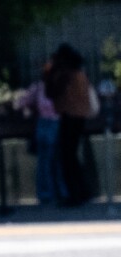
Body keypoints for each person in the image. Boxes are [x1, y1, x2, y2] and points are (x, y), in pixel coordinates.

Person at [48, 43, 98, 207]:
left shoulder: (66, 74)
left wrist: (50, 70)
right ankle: (81, 191)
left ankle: (74, 194)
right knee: (72, 157)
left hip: (70, 116)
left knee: (67, 157)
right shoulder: (80, 74)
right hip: (79, 116)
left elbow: (51, 92)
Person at [16, 68, 62, 205]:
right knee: (57, 161)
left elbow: (21, 102)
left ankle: (45, 193)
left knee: (44, 162)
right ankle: (60, 191)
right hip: (57, 124)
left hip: (43, 125)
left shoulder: (38, 87)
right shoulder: (59, 86)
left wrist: (31, 108)